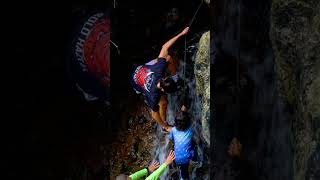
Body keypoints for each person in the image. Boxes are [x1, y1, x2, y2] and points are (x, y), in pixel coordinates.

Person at [130, 27, 190, 132]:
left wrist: (181, 33)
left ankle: (175, 76)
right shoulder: (153, 96)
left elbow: (164, 47)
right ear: (162, 90)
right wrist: (166, 126)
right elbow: (154, 114)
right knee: (163, 103)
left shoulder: (159, 69)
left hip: (141, 68)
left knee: (168, 58)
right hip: (135, 81)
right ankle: (164, 127)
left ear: (165, 77)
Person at [168, 101, 195, 180]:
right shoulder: (190, 130)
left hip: (176, 158)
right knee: (194, 146)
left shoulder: (173, 130)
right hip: (187, 158)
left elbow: (171, 138)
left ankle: (179, 173)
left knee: (175, 147)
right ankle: (195, 160)